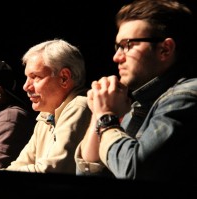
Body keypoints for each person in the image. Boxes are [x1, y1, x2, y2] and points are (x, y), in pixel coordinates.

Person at [75, 0, 197, 182]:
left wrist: (105, 116)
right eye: (117, 47)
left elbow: (134, 170)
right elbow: (89, 173)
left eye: (127, 45)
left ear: (165, 49)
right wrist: (99, 111)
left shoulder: (186, 96)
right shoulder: (140, 105)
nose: (116, 57)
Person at [1, 39, 92, 174]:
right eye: (27, 77)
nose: (26, 86)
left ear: (64, 78)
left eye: (36, 77)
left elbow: (52, 170)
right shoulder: (46, 116)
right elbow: (19, 165)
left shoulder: (80, 106)